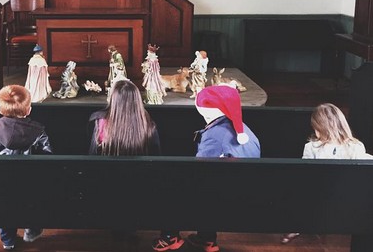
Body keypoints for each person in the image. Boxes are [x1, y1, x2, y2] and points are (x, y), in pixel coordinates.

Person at [152, 85, 260, 252]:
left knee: (170, 186)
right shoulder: (244, 129)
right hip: (247, 190)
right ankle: (206, 239)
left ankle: (169, 237)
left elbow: (200, 170)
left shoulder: (215, 134)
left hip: (226, 197)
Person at [0, 85, 53, 250]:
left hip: (0, 185)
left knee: (5, 210)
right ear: (28, 110)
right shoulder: (39, 133)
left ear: (0, 110)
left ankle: (8, 241)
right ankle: (31, 230)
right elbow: (48, 160)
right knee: (32, 204)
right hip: (30, 186)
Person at [280, 102, 372, 244]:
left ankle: (297, 226)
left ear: (318, 128)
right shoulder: (355, 146)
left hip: (327, 196)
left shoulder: (313, 147)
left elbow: (305, 176)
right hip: (342, 196)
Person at [88, 79, 160, 156]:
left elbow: (92, 155)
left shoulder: (99, 122)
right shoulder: (148, 126)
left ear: (114, 100)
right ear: (137, 100)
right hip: (139, 168)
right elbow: (156, 158)